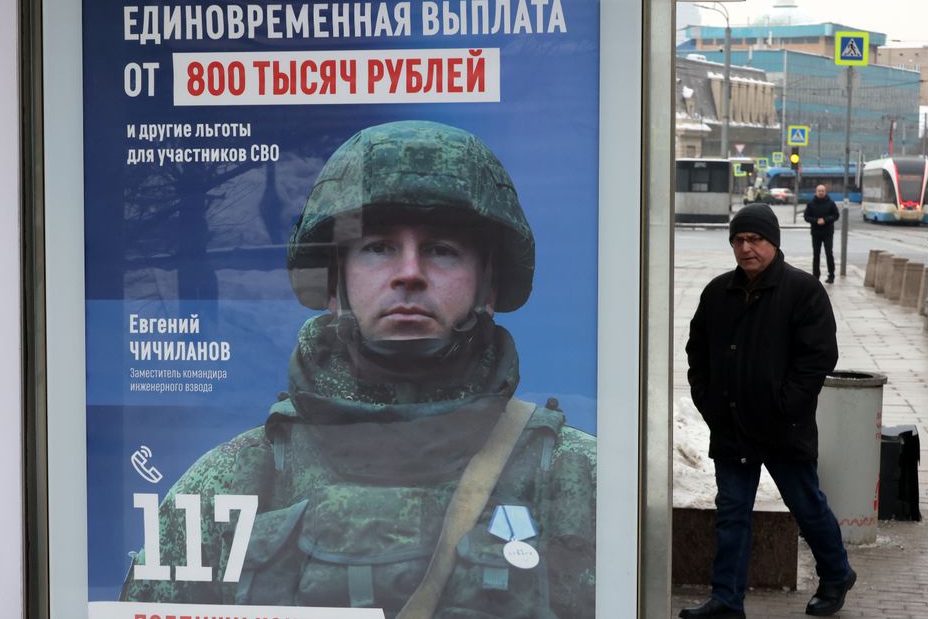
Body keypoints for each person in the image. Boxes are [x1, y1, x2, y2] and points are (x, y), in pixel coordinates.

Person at [120, 120, 597, 617]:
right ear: (334, 287)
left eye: (441, 250)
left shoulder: (578, 480)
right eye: (378, 247)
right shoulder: (227, 486)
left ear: (489, 287)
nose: (409, 273)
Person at [680, 204, 855, 619]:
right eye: (739, 240)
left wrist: (786, 406)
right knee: (731, 514)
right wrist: (708, 401)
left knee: (806, 505)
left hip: (783, 427)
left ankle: (836, 574)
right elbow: (697, 353)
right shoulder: (717, 292)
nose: (746, 248)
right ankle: (727, 599)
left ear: (773, 242)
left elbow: (818, 358)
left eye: (755, 239)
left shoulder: (802, 290)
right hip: (731, 425)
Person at [802, 184, 839, 283]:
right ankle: (816, 276)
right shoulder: (811, 203)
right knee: (816, 255)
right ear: (816, 192)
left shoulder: (831, 203)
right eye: (819, 191)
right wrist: (816, 221)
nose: (821, 192)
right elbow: (806, 217)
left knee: (829, 254)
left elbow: (836, 215)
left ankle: (831, 275)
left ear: (825, 192)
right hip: (816, 233)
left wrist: (825, 220)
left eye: (822, 191)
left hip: (828, 232)